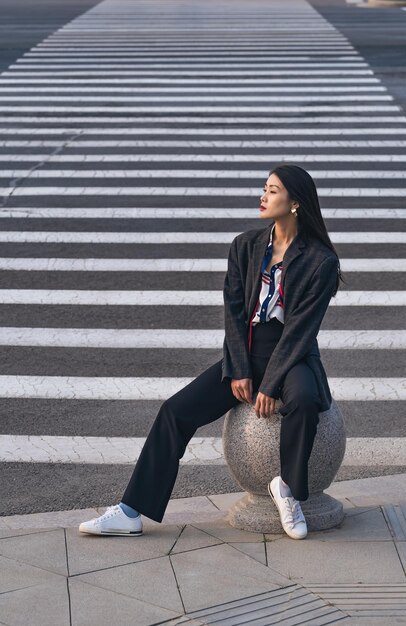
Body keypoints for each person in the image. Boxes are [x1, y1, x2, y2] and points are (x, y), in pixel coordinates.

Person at [79, 163, 344, 540]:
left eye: (272, 190)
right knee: (175, 411)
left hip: (293, 354)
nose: (262, 196)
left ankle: (286, 489)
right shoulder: (246, 246)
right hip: (249, 351)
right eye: (265, 188)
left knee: (303, 399)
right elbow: (234, 311)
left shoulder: (321, 261)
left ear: (295, 202)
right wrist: (238, 368)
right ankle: (130, 511)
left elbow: (301, 331)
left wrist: (270, 385)